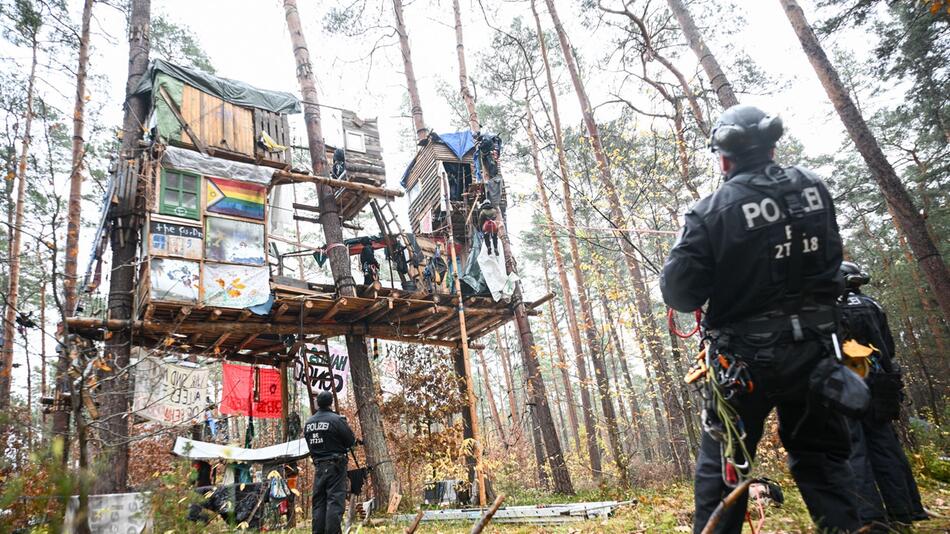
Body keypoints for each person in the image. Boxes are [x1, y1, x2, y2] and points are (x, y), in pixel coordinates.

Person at [660, 104, 859, 533]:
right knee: (824, 460)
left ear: (724, 157)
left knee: (725, 470)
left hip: (744, 362)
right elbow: (832, 259)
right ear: (771, 147)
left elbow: (679, 292)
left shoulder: (711, 211)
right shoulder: (813, 189)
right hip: (816, 352)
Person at [839, 261, 927, 531]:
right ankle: (905, 509)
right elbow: (887, 346)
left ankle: (870, 517)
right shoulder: (873, 304)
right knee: (886, 446)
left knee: (854, 449)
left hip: (847, 385)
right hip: (880, 383)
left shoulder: (830, 308)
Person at [304, 390, 356, 534]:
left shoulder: (308, 424)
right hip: (336, 466)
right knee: (335, 500)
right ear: (331, 402)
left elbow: (310, 446)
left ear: (317, 404)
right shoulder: (337, 420)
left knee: (319, 502)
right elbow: (351, 441)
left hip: (319, 467)